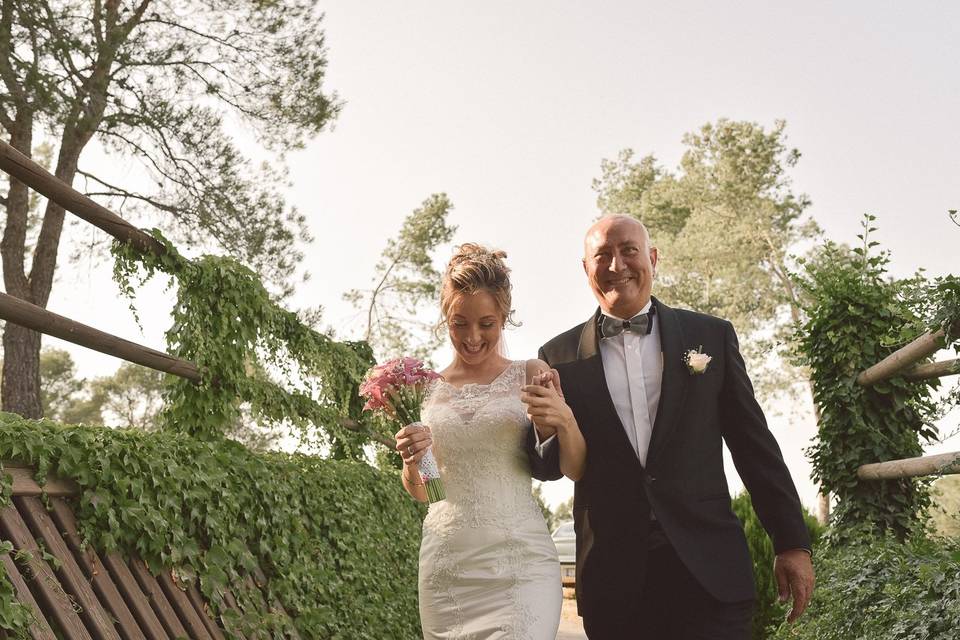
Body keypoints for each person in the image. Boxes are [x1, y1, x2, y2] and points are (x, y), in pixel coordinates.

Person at [526, 215, 815, 639]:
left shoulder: (711, 336)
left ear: (653, 258)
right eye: (601, 255)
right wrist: (547, 426)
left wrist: (792, 542)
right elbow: (550, 467)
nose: (616, 264)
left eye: (628, 250)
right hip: (615, 581)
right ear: (585, 268)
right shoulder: (558, 355)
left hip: (710, 572)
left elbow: (754, 446)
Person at [395, 243, 587, 639]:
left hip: (520, 564)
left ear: (504, 318)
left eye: (486, 323)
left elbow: (575, 467)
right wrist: (412, 461)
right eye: (459, 323)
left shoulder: (531, 373)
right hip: (448, 565)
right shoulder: (427, 390)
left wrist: (562, 420)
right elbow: (426, 492)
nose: (472, 337)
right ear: (445, 318)